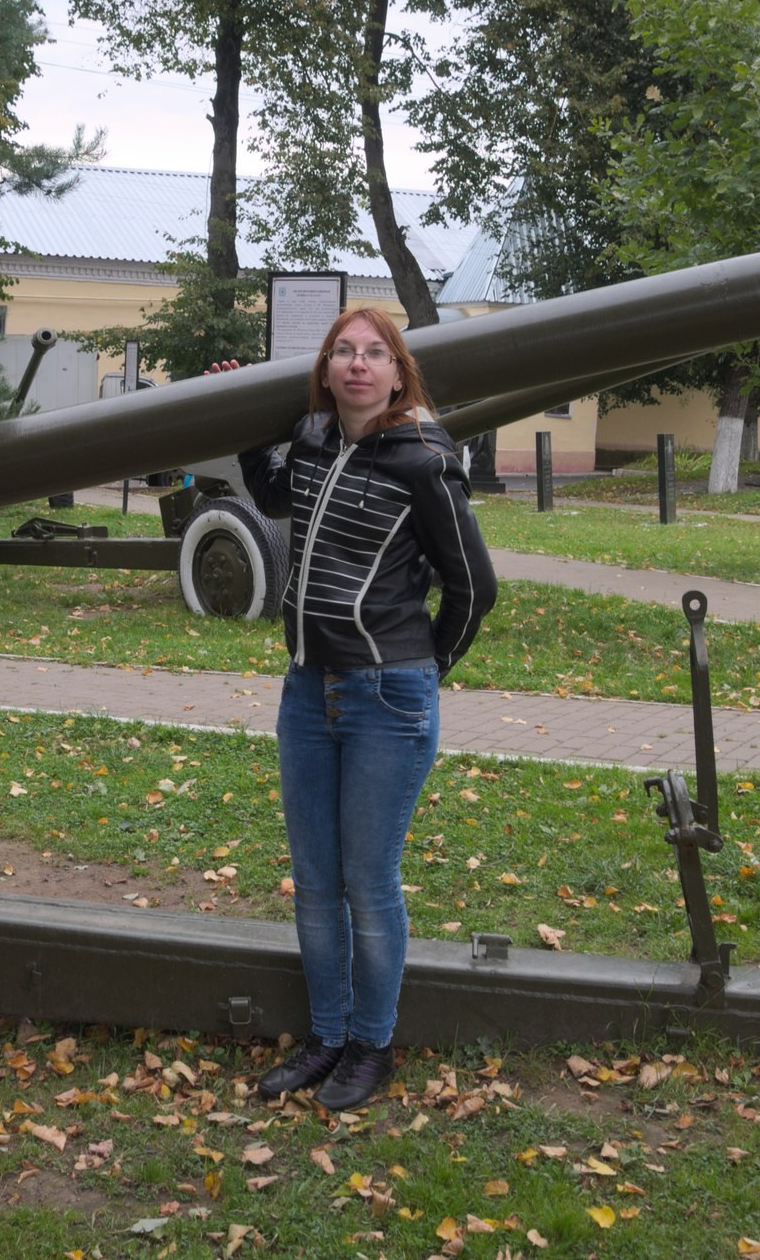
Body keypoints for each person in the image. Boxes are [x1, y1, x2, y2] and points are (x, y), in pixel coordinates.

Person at [215, 308, 495, 1110]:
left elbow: (474, 588)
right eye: (344, 352)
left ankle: (373, 1046)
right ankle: (327, 1039)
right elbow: (275, 494)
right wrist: (240, 416)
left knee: (368, 883)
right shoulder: (313, 440)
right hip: (307, 691)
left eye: (375, 353)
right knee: (313, 883)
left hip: (386, 697)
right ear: (328, 369)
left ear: (399, 374)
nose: (359, 365)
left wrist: (425, 663)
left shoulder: (423, 460)